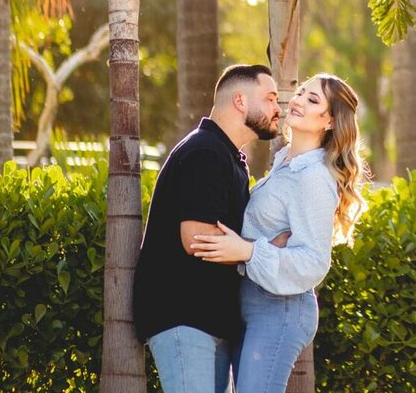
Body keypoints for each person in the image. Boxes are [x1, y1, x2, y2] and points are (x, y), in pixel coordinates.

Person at [190, 73, 368, 393]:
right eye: (301, 93)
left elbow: (314, 261)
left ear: (328, 121)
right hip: (251, 301)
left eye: (312, 100)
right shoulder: (285, 164)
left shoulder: (314, 176)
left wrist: (248, 251)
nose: (298, 101)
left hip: (281, 307)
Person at [133, 64, 281, 393]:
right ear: (240, 100)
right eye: (270, 98)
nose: (277, 109)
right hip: (184, 318)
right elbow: (197, 238)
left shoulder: (228, 159)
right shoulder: (206, 153)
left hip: (211, 322)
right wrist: (261, 253)